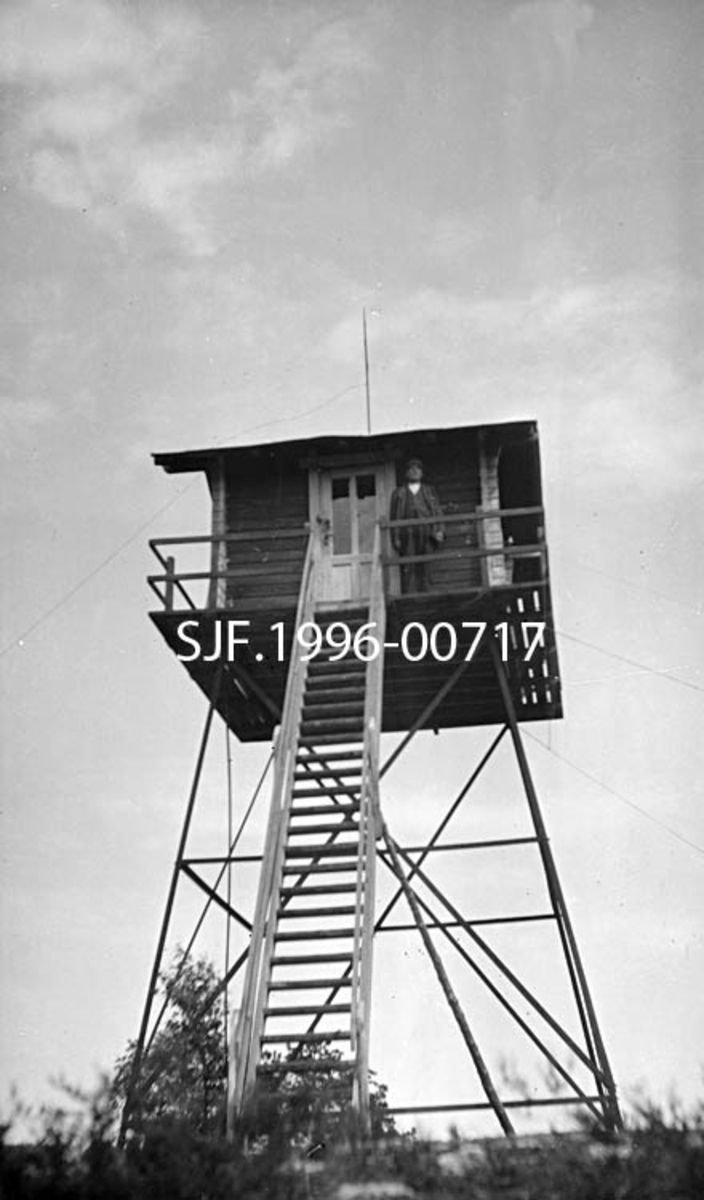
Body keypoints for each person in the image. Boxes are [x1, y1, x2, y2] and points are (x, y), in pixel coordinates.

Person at [389, 458, 445, 592]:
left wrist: (439, 530)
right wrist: (395, 537)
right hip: (407, 534)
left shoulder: (429, 491)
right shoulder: (399, 493)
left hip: (427, 532)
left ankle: (427, 597)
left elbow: (437, 512)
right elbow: (393, 516)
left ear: (422, 473)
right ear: (407, 473)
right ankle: (410, 599)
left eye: (418, 468)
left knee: (426, 566)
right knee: (409, 566)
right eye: (411, 468)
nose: (414, 471)